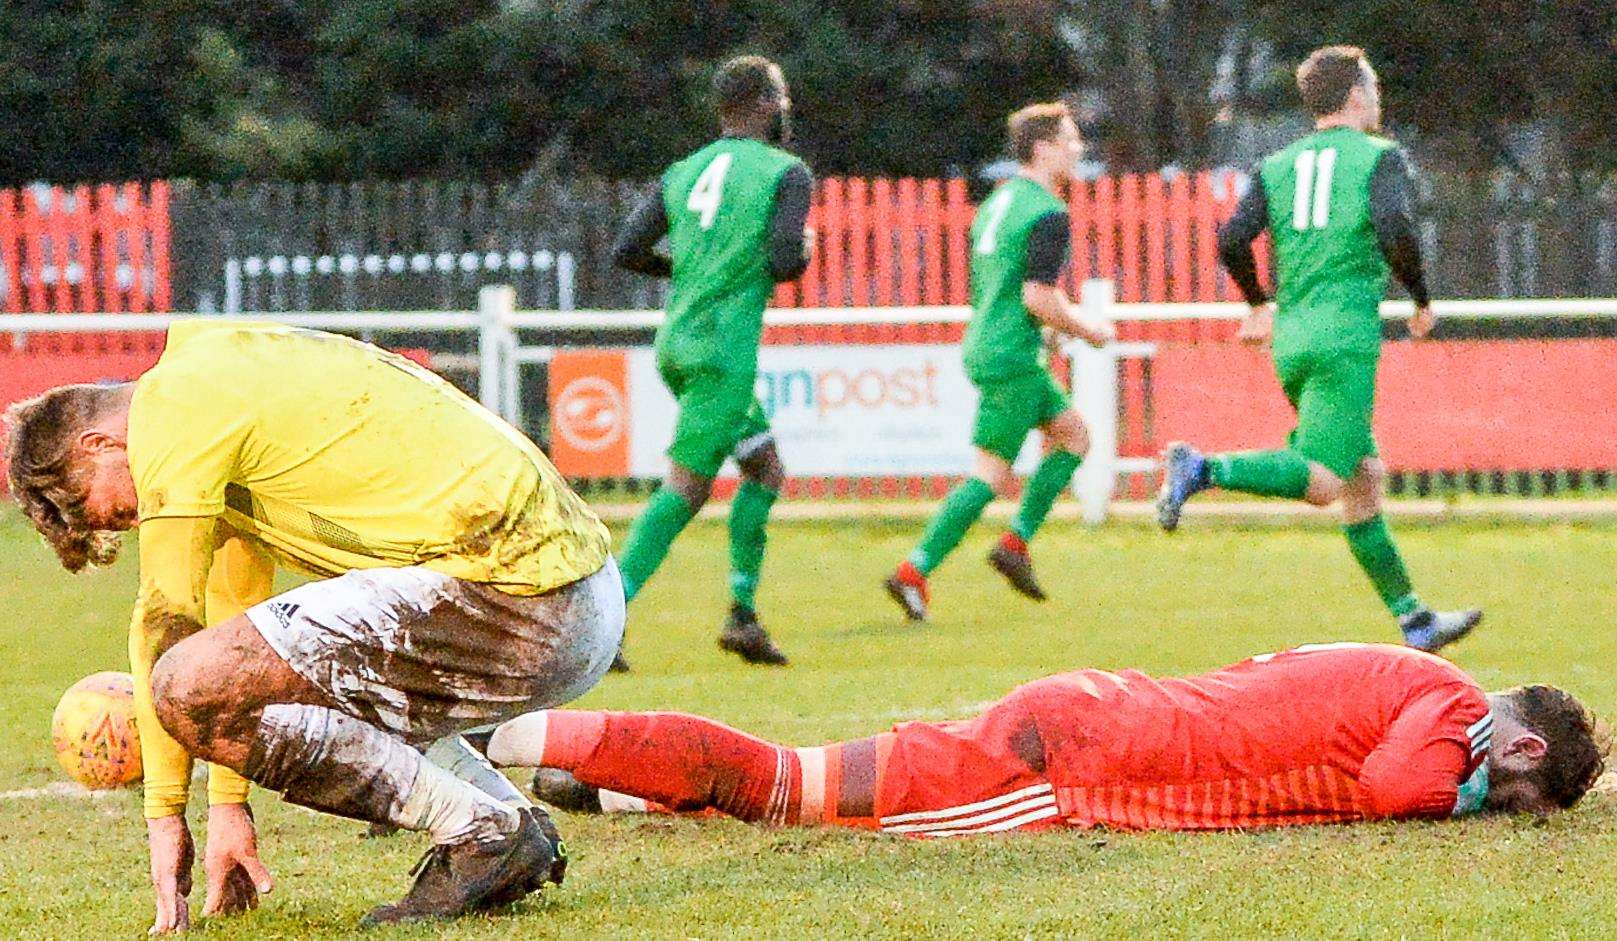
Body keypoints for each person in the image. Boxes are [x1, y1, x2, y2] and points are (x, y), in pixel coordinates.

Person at [3, 321, 624, 929]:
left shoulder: (176, 406)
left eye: (103, 509)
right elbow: (231, 641)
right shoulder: (213, 381)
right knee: (248, 679)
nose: (128, 522)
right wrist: (226, 809)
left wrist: (163, 817)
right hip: (566, 594)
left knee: (181, 683)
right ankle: (506, 819)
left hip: (525, 600)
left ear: (97, 444)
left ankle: (481, 834)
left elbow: (167, 626)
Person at [480, 643, 1603, 835]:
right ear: (1518, 751)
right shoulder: (1454, 708)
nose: (1489, 811)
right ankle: (501, 731)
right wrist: (1454, 796)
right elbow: (1398, 789)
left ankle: (602, 788)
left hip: (1090, 715)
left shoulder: (1412, 674)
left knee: (797, 786)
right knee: (785, 784)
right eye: (1509, 802)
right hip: (1072, 762)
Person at [1155, 45, 1479, 652]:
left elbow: (1230, 239)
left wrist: (1257, 303)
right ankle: (1200, 468)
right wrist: (1420, 296)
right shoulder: (1380, 157)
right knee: (1327, 479)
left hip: (1294, 337)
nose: (1378, 100)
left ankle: (1415, 620)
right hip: (1343, 338)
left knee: (1364, 476)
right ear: (1357, 95)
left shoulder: (1277, 164)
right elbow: (1395, 228)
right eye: (1374, 88)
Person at [608, 55, 813, 668]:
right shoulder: (787, 172)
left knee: (766, 468)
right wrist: (802, 250)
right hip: (723, 355)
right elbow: (782, 260)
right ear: (765, 103)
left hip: (677, 343)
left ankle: (742, 618)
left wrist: (689, 271)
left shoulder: (684, 170)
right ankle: (601, 624)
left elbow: (626, 249)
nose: (785, 108)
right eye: (780, 96)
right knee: (686, 490)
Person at [884, 102, 1113, 622]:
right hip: (1012, 354)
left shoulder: (998, 203)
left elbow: (1005, 286)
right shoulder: (1048, 212)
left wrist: (1049, 329)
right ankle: (913, 571)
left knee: (1074, 435)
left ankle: (1016, 544)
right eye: (1071, 140)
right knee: (989, 474)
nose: (1079, 150)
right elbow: (1037, 296)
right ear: (1043, 148)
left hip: (994, 343)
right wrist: (1086, 328)